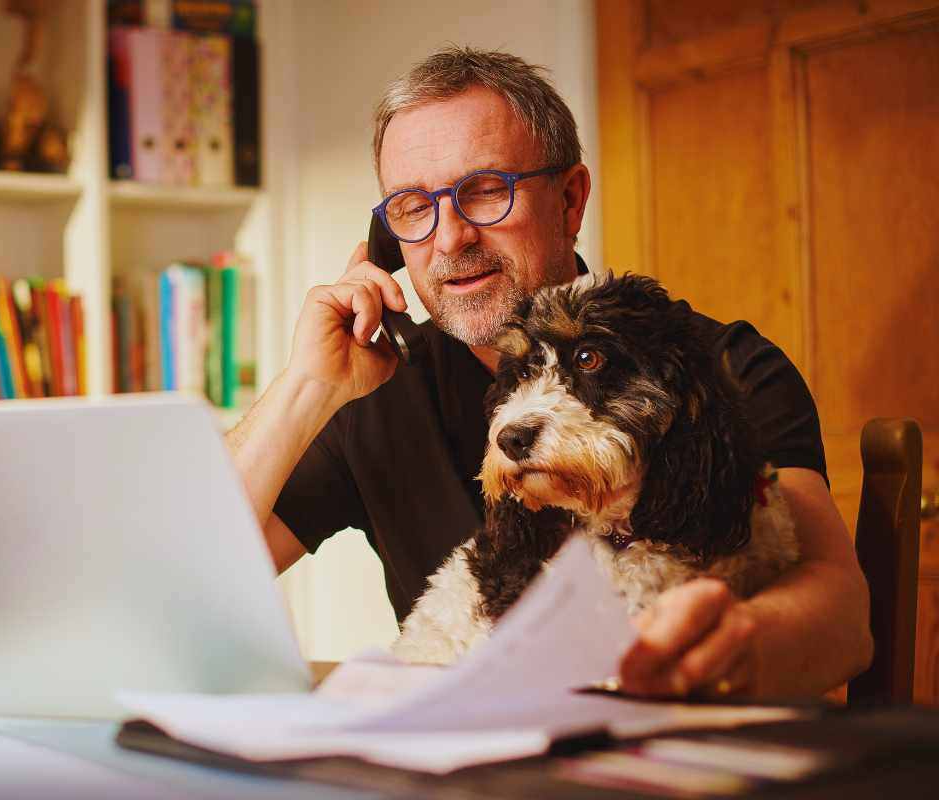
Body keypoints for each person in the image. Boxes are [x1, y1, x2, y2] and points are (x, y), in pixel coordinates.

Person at [225, 46, 872, 699]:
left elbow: (842, 618)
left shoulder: (720, 369)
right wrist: (307, 386)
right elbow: (181, 575)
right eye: (414, 207)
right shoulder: (376, 386)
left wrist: (723, 650)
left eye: (485, 191)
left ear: (568, 201)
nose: (449, 240)